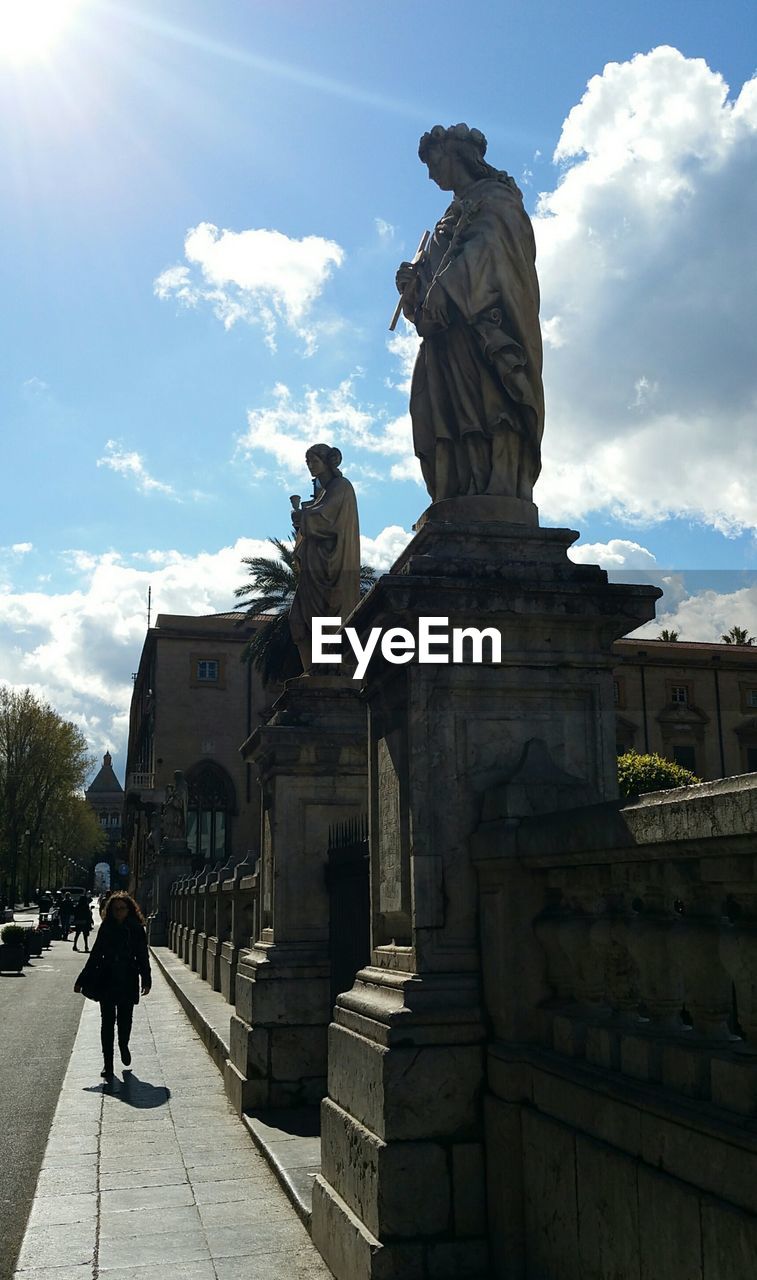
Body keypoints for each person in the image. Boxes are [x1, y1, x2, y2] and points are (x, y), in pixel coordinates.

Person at [395, 123, 544, 504]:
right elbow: (432, 288)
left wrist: (445, 288)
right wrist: (413, 284)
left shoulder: (497, 199)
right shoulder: (452, 213)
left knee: (491, 407)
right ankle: (459, 489)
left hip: (481, 331)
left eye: (433, 162)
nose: (430, 174)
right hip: (445, 338)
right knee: (444, 415)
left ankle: (494, 489)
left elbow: (493, 250)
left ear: (456, 155)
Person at [289, 444, 361, 672]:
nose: (310, 465)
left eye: (314, 460)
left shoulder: (342, 486)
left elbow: (328, 519)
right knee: (297, 621)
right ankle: (312, 671)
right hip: (315, 568)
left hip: (331, 567)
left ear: (327, 461)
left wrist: (304, 517)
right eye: (307, 461)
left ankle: (326, 670)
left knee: (326, 621)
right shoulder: (324, 492)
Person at [74, 891, 151, 1079]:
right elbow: (95, 954)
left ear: (129, 910)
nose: (118, 912)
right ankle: (108, 1065)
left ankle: (123, 1045)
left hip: (127, 977)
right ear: (110, 910)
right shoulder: (106, 927)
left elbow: (142, 955)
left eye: (122, 908)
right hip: (107, 977)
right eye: (115, 909)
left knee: (125, 1020)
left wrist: (146, 978)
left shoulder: (136, 928)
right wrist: (82, 979)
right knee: (106, 1023)